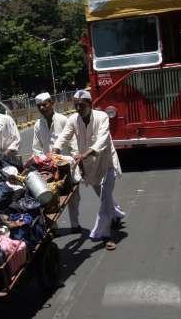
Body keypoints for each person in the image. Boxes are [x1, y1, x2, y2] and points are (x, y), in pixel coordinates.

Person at [53, 90, 125, 251]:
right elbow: (64, 136)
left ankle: (106, 235)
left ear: (90, 104)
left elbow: (103, 140)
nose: (78, 108)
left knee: (105, 198)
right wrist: (55, 150)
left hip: (107, 164)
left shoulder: (102, 117)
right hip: (90, 166)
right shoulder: (73, 119)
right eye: (76, 105)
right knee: (103, 196)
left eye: (82, 105)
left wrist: (84, 154)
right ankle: (117, 214)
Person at [31, 92, 81, 233]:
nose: (42, 108)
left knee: (73, 196)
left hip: (66, 164)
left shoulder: (63, 120)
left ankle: (75, 224)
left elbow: (73, 143)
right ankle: (53, 227)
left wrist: (75, 159)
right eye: (39, 106)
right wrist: (44, 158)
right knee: (48, 197)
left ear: (52, 103)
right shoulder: (37, 125)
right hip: (49, 165)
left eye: (45, 104)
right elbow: (36, 149)